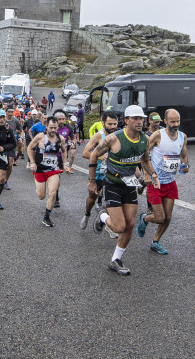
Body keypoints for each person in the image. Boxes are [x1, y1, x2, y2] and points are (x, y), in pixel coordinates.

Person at [88, 105, 157, 276]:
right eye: (135, 118)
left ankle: (115, 260)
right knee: (119, 226)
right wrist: (91, 181)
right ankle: (103, 216)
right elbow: (93, 155)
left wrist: (153, 174)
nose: (140, 122)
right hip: (112, 184)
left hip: (129, 185)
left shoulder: (144, 140)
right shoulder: (113, 139)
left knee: (130, 225)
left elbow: (145, 160)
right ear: (126, 121)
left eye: (141, 118)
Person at [135, 109, 189, 255]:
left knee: (168, 217)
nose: (176, 124)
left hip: (170, 182)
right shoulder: (157, 135)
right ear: (165, 122)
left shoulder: (182, 137)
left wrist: (185, 166)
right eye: (172, 121)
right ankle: (145, 219)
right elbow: (143, 154)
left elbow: (183, 156)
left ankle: (156, 241)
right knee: (160, 217)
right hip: (155, 182)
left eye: (178, 121)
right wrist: (147, 174)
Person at [81, 111, 119, 229]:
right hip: (97, 173)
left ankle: (107, 223)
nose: (113, 127)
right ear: (102, 123)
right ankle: (87, 214)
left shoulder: (119, 135)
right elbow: (85, 153)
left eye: (115, 124)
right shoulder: (98, 136)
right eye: (110, 124)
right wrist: (100, 156)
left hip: (112, 174)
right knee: (92, 198)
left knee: (112, 199)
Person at [27, 116, 66, 227]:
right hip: (39, 170)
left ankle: (46, 217)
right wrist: (33, 162)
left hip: (53, 169)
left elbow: (64, 151)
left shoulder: (61, 139)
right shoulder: (40, 137)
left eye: (55, 128)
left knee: (53, 193)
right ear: (46, 127)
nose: (53, 130)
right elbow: (29, 148)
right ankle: (39, 185)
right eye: (51, 128)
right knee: (41, 196)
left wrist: (65, 163)